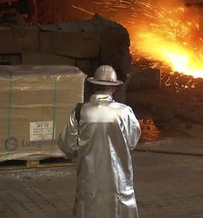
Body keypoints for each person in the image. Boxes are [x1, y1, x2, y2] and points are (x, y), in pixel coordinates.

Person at [57, 65, 142, 218]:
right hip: (118, 180)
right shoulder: (125, 112)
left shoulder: (80, 112)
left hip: (89, 179)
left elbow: (68, 145)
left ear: (94, 85)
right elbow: (131, 142)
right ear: (113, 88)